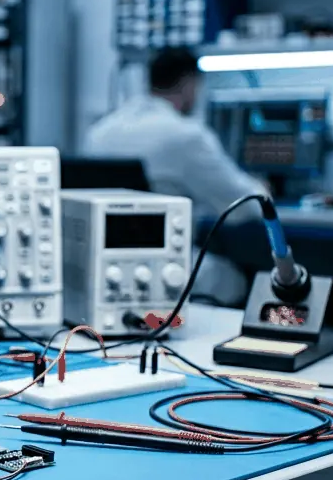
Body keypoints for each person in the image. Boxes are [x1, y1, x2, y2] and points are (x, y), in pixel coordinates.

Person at [84, 48, 268, 304]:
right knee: (240, 279)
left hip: (107, 270)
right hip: (165, 268)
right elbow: (247, 206)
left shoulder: (99, 133)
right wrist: (263, 187)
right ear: (190, 84)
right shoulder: (186, 135)